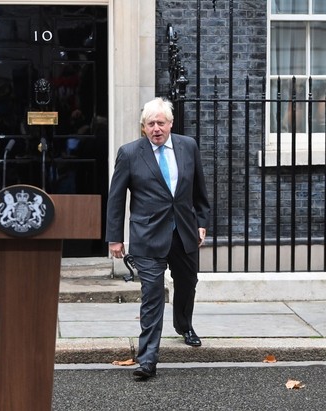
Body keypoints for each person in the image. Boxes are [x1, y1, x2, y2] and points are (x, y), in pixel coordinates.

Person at [106, 97, 211, 379]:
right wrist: (114, 238)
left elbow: (200, 190)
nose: (156, 129)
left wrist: (201, 222)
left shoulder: (188, 146)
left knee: (188, 283)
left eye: (160, 123)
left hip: (184, 232)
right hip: (148, 236)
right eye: (150, 124)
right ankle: (148, 358)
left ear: (170, 124)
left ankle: (184, 325)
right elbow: (116, 199)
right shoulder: (129, 153)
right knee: (152, 296)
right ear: (143, 127)